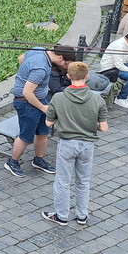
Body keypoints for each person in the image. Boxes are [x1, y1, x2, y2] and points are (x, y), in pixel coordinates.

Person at [42, 62, 108, 226]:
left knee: (63, 181)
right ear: (87, 76)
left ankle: (61, 215)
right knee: (83, 181)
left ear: (68, 76)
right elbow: (104, 128)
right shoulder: (96, 98)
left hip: (67, 143)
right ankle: (82, 215)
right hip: (87, 145)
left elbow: (49, 123)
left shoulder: (58, 98)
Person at [4, 46, 75, 178]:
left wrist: (24, 75)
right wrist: (43, 107)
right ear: (60, 58)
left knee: (43, 131)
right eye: (66, 64)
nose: (65, 68)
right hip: (27, 103)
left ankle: (39, 160)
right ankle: (12, 162)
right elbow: (27, 92)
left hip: (39, 99)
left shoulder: (39, 50)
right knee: (26, 136)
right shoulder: (41, 68)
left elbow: (21, 58)